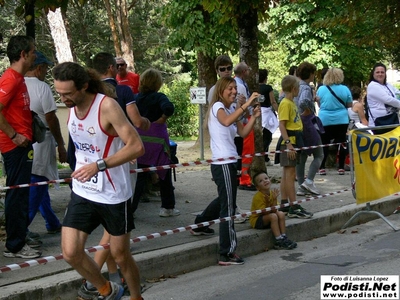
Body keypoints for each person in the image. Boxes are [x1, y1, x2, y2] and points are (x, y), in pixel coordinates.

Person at [53, 62, 144, 300]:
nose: (63, 99)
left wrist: (99, 165)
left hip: (113, 193)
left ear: (84, 86)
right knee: (71, 252)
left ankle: (136, 297)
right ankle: (108, 291)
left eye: (68, 93)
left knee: (120, 255)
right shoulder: (71, 107)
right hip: (84, 191)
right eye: (59, 93)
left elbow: (136, 146)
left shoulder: (107, 106)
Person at [190, 77, 261, 266]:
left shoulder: (230, 109)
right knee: (228, 207)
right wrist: (246, 104)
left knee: (225, 200)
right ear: (221, 90)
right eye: (230, 88)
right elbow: (228, 121)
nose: (233, 92)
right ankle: (226, 252)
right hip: (222, 163)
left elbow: (243, 132)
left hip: (229, 162)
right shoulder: (217, 108)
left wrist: (253, 116)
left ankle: (200, 223)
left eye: (235, 88)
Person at [0, 36, 41, 259]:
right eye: (33, 51)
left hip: (23, 144)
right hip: (14, 146)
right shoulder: (11, 79)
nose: (35, 55)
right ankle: (14, 246)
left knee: (22, 192)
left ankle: (19, 235)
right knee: (17, 193)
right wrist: (14, 135)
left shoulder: (19, 78)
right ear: (23, 54)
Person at [26, 51, 67, 238]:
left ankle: (51, 221)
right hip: (41, 139)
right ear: (39, 68)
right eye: (45, 68)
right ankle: (22, 226)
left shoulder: (16, 84)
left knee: (39, 181)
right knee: (38, 183)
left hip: (22, 140)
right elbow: (51, 117)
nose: (46, 72)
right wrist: (61, 144)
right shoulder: (42, 87)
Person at [131, 68, 179, 217]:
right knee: (164, 173)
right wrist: (163, 118)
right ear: (158, 83)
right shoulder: (159, 97)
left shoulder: (136, 98)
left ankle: (130, 209)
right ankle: (167, 208)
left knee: (138, 176)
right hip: (158, 141)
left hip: (140, 140)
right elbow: (169, 108)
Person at [277, 75, 312, 219]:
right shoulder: (285, 103)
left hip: (295, 140)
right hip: (290, 141)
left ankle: (284, 203)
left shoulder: (291, 103)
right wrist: (288, 144)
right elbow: (282, 125)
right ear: (293, 88)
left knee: (287, 174)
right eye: (298, 87)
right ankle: (293, 205)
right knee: (290, 175)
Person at [294, 62, 323, 197]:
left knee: (303, 156)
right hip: (307, 123)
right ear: (310, 74)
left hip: (297, 124)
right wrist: (307, 110)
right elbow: (303, 102)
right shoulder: (306, 88)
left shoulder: (294, 86)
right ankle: (309, 181)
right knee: (319, 154)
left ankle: (301, 186)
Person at [316, 68, 352, 175]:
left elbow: (319, 104)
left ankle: (322, 167)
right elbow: (349, 105)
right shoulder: (345, 89)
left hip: (325, 119)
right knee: (342, 143)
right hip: (341, 119)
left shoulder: (321, 89)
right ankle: (341, 167)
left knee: (324, 143)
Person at [250, 172, 297, 250]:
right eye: (261, 181)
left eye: (266, 178)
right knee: (273, 216)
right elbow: (265, 212)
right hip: (257, 220)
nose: (265, 181)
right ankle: (278, 241)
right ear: (258, 187)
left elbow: (274, 210)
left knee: (281, 214)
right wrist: (270, 203)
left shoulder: (272, 193)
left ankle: (283, 237)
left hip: (269, 216)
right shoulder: (258, 197)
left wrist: (274, 199)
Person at [234, 62, 256, 191]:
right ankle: (244, 178)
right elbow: (244, 105)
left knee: (242, 151)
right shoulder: (240, 86)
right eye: (247, 70)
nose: (249, 72)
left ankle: (240, 177)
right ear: (243, 72)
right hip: (244, 121)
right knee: (246, 151)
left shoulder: (238, 83)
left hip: (240, 121)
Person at [366, 62, 400, 132]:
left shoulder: (387, 85)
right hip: (380, 122)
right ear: (373, 74)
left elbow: (397, 93)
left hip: (391, 119)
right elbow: (388, 100)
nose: (380, 74)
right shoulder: (373, 86)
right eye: (377, 72)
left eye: (382, 72)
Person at [259, 69, 279, 167]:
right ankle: (263, 155)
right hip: (266, 113)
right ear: (265, 78)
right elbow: (273, 101)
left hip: (257, 112)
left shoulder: (254, 87)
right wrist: (279, 111)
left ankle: (265, 157)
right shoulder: (268, 88)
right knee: (267, 137)